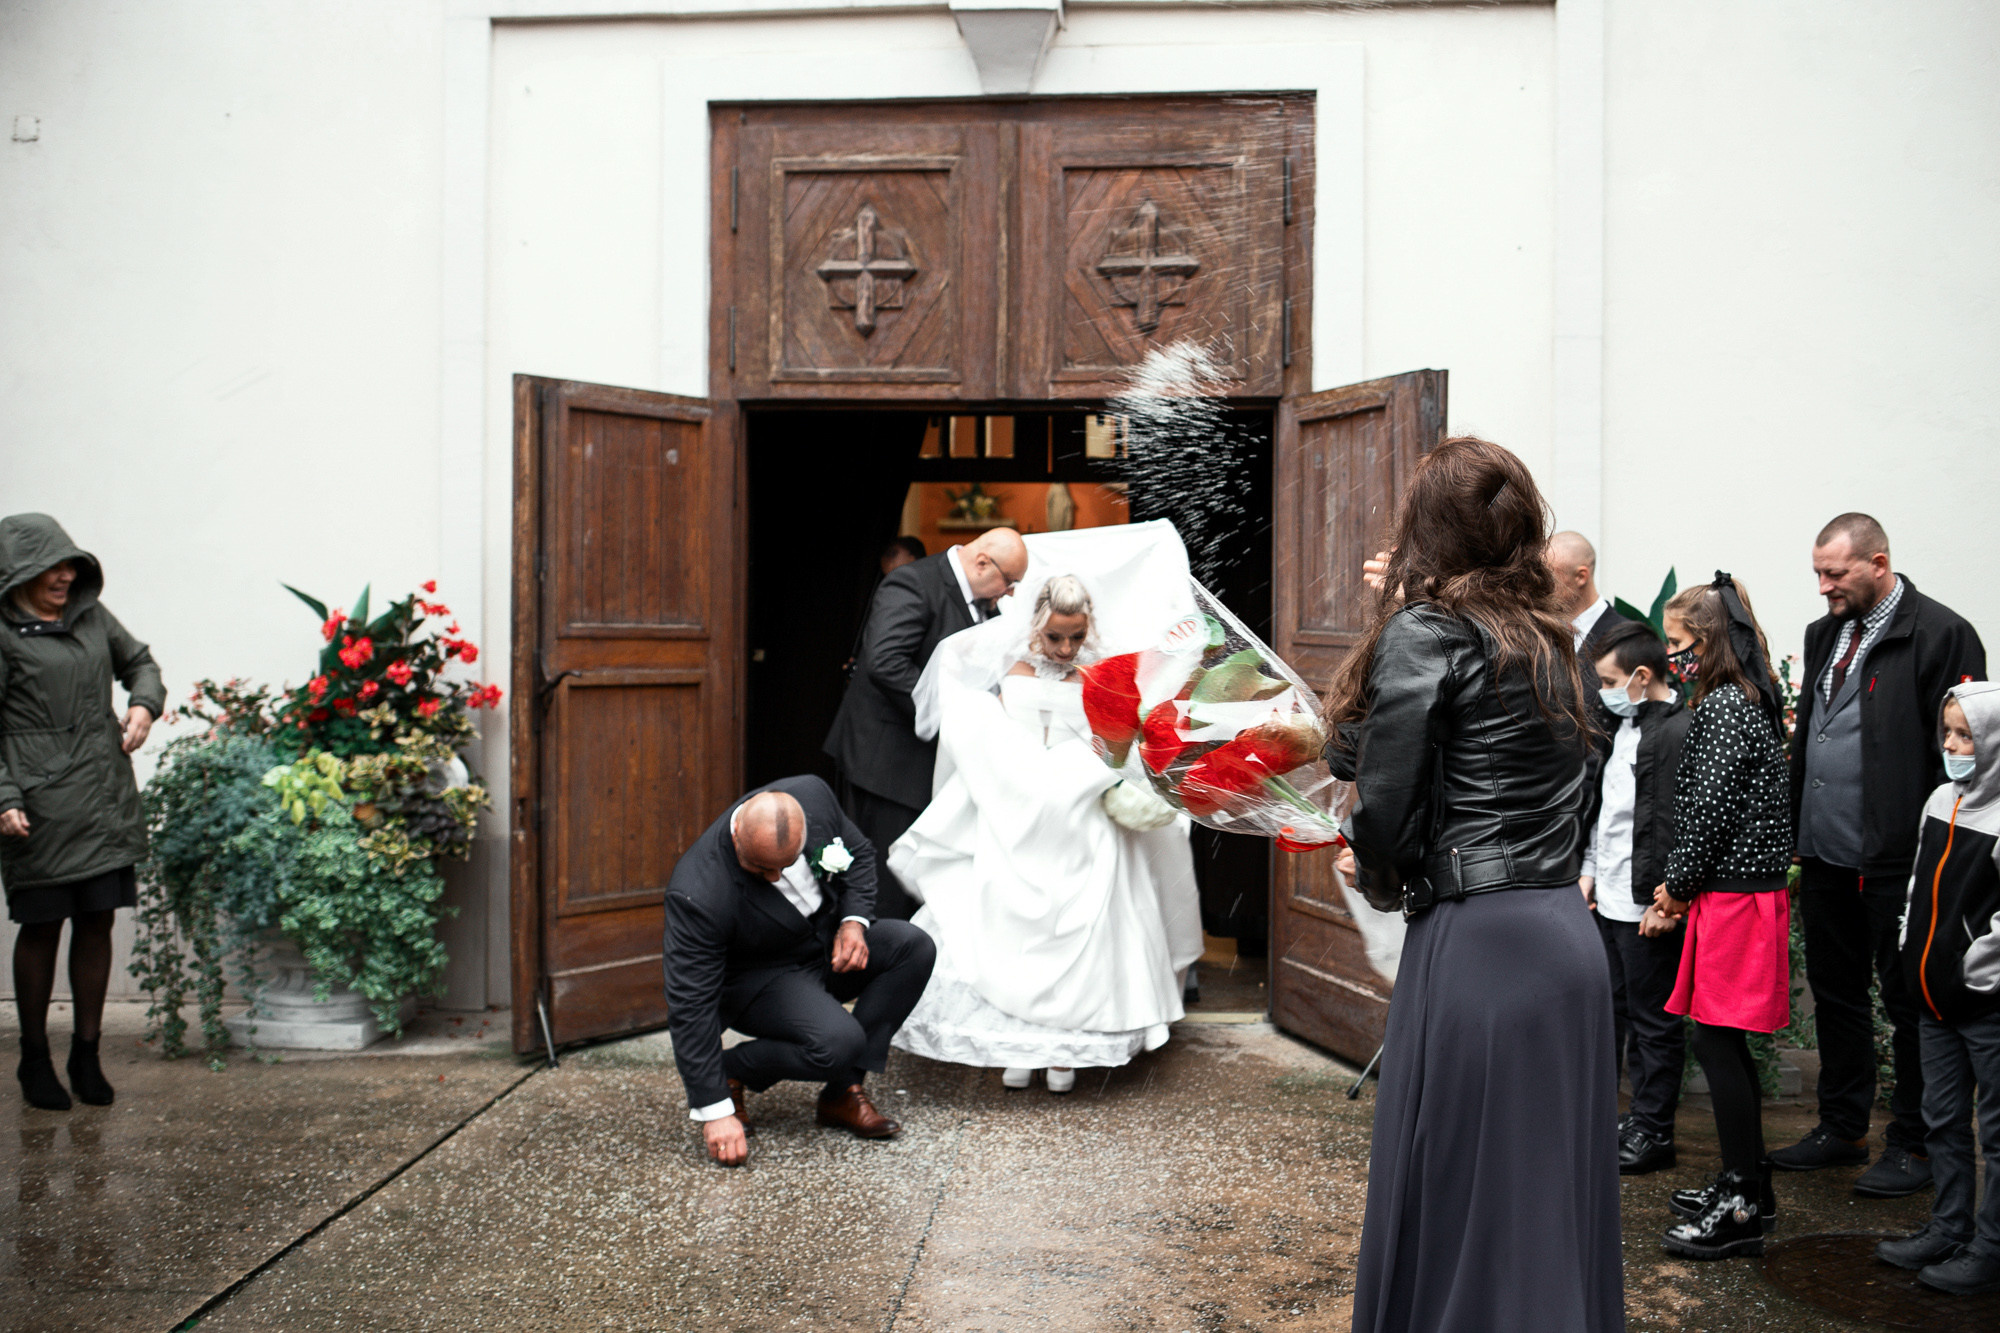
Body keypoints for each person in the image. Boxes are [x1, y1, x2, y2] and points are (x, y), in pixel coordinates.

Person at [1330, 438, 1621, 1333]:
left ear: (1427, 529)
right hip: (1565, 938)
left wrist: (1378, 876)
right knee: (1543, 1197)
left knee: (1462, 1190)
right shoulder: (1557, 639)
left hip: (1480, 943)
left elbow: (1383, 804)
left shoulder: (1428, 632)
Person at [889, 571, 1201, 1093]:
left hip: (1080, 812)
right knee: (1007, 927)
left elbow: (1119, 740)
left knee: (1085, 927)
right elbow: (985, 728)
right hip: (1016, 807)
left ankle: (1063, 1056)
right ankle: (1018, 1048)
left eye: (1076, 637)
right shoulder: (1009, 664)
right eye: (1055, 636)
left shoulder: (1103, 673)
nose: (1065, 648)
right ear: (1036, 625)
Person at [1771, 513, 1986, 1197]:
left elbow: (1961, 752)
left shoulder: (1942, 633)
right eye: (1818, 573)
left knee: (1907, 1001)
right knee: (1836, 993)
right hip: (1825, 855)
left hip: (1900, 860)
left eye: (1835, 573)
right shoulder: (1824, 633)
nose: (1823, 587)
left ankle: (1917, 1144)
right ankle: (1842, 1126)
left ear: (1878, 564)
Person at [660, 776, 937, 1167]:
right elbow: (690, 1004)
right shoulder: (698, 891)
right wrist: (715, 1109)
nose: (775, 878)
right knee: (838, 1043)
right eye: (761, 869)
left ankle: (843, 1091)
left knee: (913, 946)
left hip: (826, 942)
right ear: (737, 835)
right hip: (764, 975)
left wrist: (853, 923)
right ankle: (731, 1070)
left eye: (784, 866)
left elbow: (858, 853)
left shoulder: (812, 796)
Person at [1648, 576, 1794, 1260]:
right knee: (1721, 1041)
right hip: (1735, 890)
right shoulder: (1744, 698)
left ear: (1705, 642)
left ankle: (1741, 1203)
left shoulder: (1728, 705)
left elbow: (1708, 813)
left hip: (1735, 894)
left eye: (1678, 643)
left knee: (1716, 1042)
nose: (1672, 656)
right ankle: (1751, 1185)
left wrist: (1676, 888)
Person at [1, 515, 163, 1111]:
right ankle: (34, 1059)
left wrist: (143, 704)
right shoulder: (3, 632)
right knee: (42, 927)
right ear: (20, 571)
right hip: (37, 805)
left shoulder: (91, 616)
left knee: (97, 921)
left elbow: (140, 662)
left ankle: (86, 1056)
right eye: (52, 566)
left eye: (71, 564)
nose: (65, 576)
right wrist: (4, 795)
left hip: (103, 796)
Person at [824, 528, 1030, 919]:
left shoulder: (987, 601)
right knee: (885, 885)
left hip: (928, 762)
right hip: (887, 763)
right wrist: (957, 711)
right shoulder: (914, 583)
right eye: (1009, 581)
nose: (1010, 593)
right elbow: (885, 662)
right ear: (982, 563)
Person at [1873, 684, 2000, 1295]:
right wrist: (1908, 942)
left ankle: (1991, 1248)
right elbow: (1919, 882)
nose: (1951, 745)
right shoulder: (1939, 800)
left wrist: (1977, 968)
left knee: (1995, 1133)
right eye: (1947, 733)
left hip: (1985, 1005)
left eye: (1966, 735)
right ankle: (1949, 1226)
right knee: (1942, 1119)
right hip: (1932, 999)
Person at [1580, 619, 1692, 1176]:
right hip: (1608, 899)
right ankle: (1631, 1118)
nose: (1603, 692)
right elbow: (1609, 812)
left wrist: (1668, 902)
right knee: (1616, 1012)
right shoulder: (1620, 725)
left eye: (1609, 681)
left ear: (1641, 676)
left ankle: (1654, 1130)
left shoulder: (1677, 733)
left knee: (1654, 1022)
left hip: (1647, 906)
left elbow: (1676, 825)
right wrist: (1588, 872)